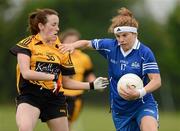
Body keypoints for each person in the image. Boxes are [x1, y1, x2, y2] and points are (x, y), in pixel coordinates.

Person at [59, 7, 161, 131]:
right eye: (118, 36)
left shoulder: (144, 52)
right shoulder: (110, 46)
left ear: (135, 34)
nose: (121, 40)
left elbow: (156, 81)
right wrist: (72, 45)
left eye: (124, 35)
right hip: (120, 109)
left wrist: (139, 93)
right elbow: (87, 44)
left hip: (143, 104)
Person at [9, 8, 109, 131]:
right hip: (30, 96)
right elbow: (26, 73)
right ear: (41, 26)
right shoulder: (26, 45)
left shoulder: (61, 49)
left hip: (54, 98)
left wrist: (92, 85)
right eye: (54, 24)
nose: (57, 28)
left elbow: (66, 82)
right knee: (25, 128)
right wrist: (51, 76)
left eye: (58, 25)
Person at [60, 29, 96, 130]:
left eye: (74, 41)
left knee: (67, 124)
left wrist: (95, 83)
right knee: (59, 124)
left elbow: (89, 73)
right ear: (62, 41)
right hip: (58, 94)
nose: (71, 44)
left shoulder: (84, 58)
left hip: (75, 96)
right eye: (69, 40)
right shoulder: (56, 55)